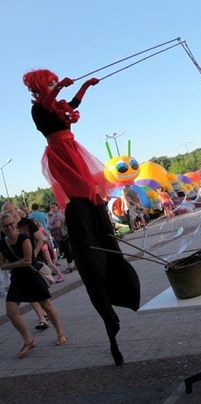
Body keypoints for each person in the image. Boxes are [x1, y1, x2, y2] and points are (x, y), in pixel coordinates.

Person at [23, 69, 140, 366]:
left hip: (72, 148)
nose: (54, 85)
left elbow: (71, 105)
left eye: (54, 81)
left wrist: (86, 86)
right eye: (49, 83)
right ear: (40, 86)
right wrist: (58, 87)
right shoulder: (38, 109)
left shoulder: (56, 105)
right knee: (83, 190)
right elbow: (49, 102)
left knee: (93, 187)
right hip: (60, 153)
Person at [0, 213, 67, 358]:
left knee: (47, 306)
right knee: (11, 311)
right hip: (17, 279)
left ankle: (60, 333)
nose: (8, 227)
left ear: (14, 223)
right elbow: (2, 266)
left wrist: (12, 264)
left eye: (10, 224)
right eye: (5, 226)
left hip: (31, 276)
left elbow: (28, 261)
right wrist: (16, 264)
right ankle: (29, 340)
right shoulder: (2, 243)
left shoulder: (24, 238)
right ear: (2, 227)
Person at [47, 202, 76, 272]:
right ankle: (73, 265)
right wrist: (49, 218)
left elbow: (58, 225)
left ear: (58, 207)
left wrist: (50, 227)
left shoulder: (58, 215)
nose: (52, 208)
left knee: (67, 251)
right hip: (59, 236)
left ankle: (70, 266)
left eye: (54, 206)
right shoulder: (53, 215)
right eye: (51, 207)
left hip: (63, 235)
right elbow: (49, 224)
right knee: (66, 250)